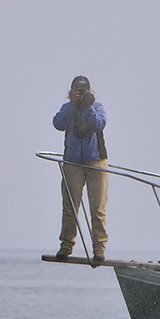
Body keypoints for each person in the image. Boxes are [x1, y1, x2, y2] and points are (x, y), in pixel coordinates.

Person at [53, 75, 108, 263]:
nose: (81, 95)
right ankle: (66, 245)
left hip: (96, 161)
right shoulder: (67, 108)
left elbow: (99, 124)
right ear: (71, 92)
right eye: (78, 91)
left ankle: (99, 249)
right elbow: (58, 124)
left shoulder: (97, 107)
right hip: (73, 162)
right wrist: (72, 106)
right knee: (70, 207)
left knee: (98, 209)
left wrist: (88, 106)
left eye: (84, 92)